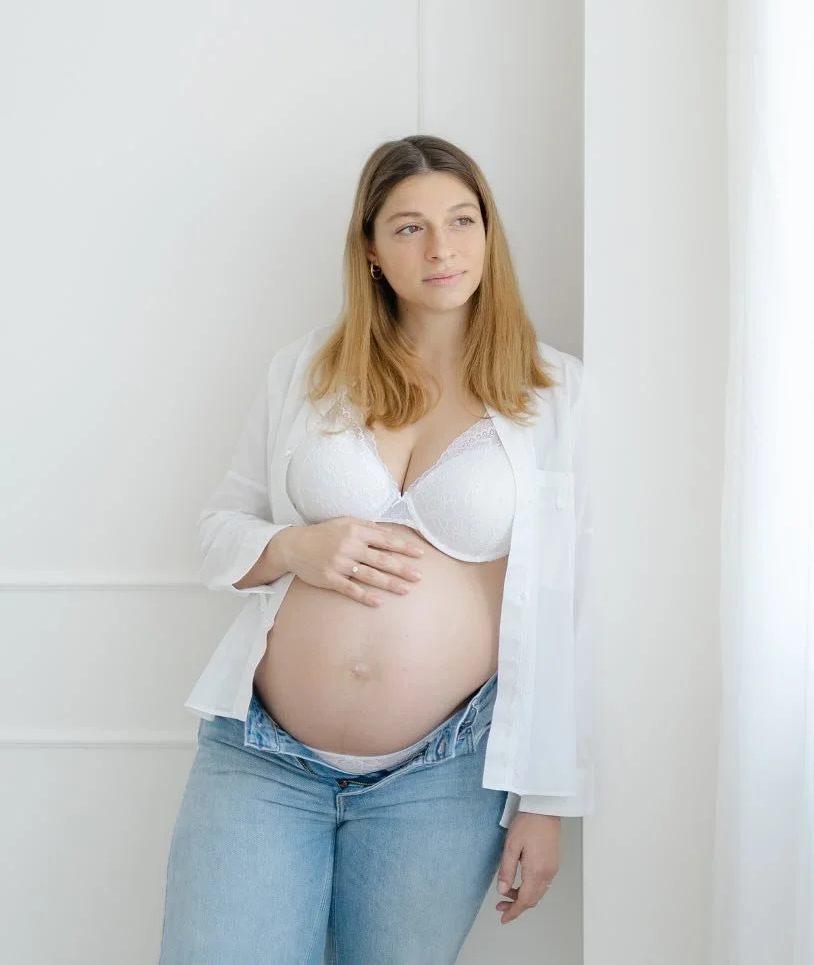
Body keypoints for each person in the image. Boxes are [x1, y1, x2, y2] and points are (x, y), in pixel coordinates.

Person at [157, 134, 593, 965]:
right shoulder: (308, 370)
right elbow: (220, 528)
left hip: (444, 774)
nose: (441, 249)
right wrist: (295, 547)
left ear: (489, 233)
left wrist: (545, 802)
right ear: (370, 250)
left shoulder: (558, 393)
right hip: (262, 756)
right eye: (409, 227)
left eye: (461, 221)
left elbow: (580, 606)